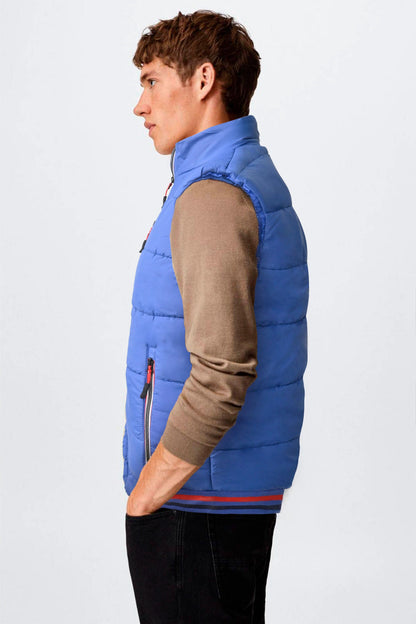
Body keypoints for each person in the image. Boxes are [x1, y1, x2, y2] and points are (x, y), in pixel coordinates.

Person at [122, 10, 309, 623]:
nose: (140, 105)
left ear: (203, 80)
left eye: (152, 81)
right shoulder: (239, 175)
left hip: (196, 505)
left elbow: (222, 371)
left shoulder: (213, 194)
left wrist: (147, 494)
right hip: (219, 500)